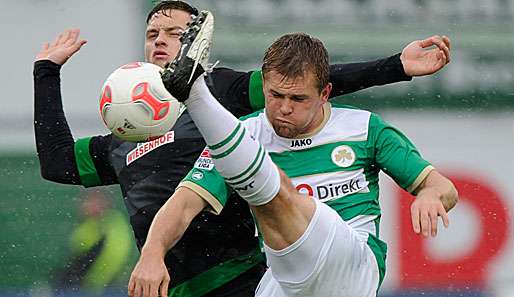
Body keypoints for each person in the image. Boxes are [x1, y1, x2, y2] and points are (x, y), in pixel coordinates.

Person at [33, 1, 450, 296]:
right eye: (152, 33)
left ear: (199, 44)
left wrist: (395, 65)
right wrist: (46, 73)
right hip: (182, 287)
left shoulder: (225, 95)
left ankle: (188, 86)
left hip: (241, 277)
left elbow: (299, 80)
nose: (160, 40)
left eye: (175, 33)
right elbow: (58, 163)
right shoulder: (124, 136)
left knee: (263, 179)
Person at [53, 190, 132, 295]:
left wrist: (94, 283)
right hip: (89, 287)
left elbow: (113, 257)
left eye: (92, 202)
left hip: (105, 287)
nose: (86, 206)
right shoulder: (88, 226)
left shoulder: (112, 225)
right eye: (86, 202)